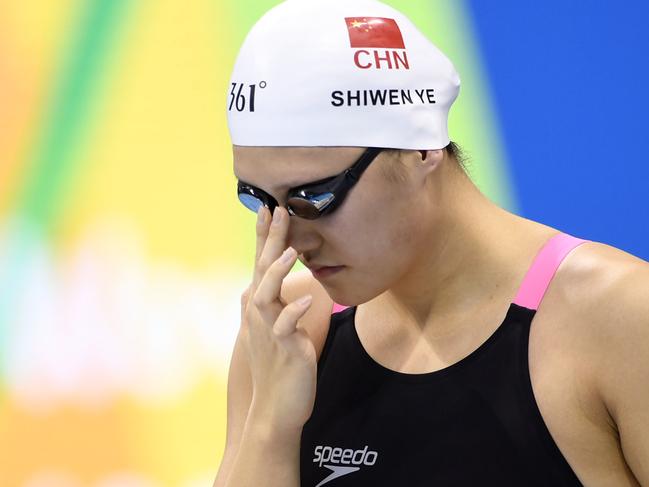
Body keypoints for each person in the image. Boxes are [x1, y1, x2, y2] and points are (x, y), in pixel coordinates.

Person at [214, 0, 649, 486]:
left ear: (421, 147)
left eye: (315, 195)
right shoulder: (289, 332)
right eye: (259, 201)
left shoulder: (617, 317)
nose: (289, 239)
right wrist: (271, 424)